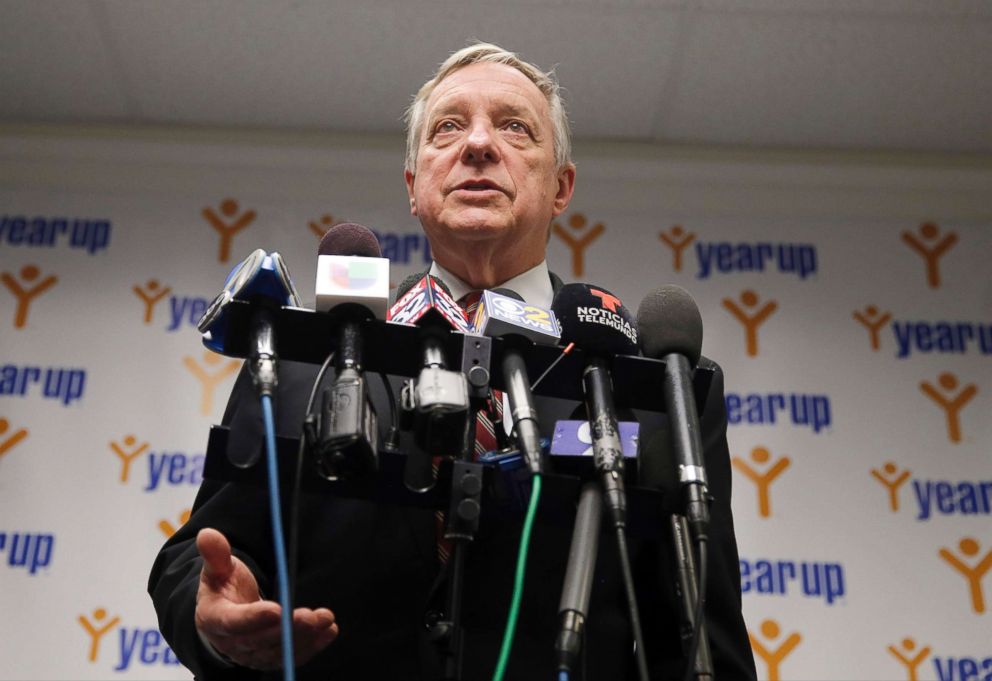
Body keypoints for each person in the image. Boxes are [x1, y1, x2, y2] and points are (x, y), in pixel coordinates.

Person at [149, 42, 757, 680]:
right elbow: (200, 555)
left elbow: (701, 638)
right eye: (448, 127)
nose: (478, 145)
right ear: (414, 186)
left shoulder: (645, 388)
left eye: (515, 127)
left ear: (561, 188)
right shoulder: (308, 353)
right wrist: (214, 615)